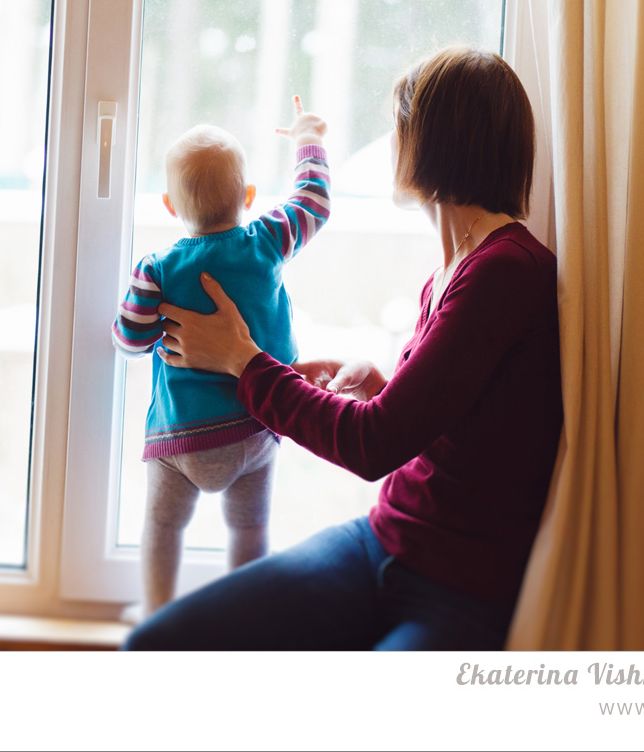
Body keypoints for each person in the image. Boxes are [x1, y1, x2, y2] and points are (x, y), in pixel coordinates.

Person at [123, 47, 563, 650]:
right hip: (383, 541)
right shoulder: (456, 269)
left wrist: (243, 360)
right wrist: (385, 387)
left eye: (398, 127)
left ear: (438, 141)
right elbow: (446, 418)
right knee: (158, 644)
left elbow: (371, 444)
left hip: (457, 585)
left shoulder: (506, 271)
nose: (391, 143)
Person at [112, 99, 331, 615]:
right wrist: (308, 136)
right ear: (249, 196)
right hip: (256, 428)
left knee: (164, 526)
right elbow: (314, 201)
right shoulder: (267, 240)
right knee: (250, 528)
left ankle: (156, 607)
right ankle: (246, 613)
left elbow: (130, 341)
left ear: (170, 206)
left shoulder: (157, 268)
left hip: (181, 439)